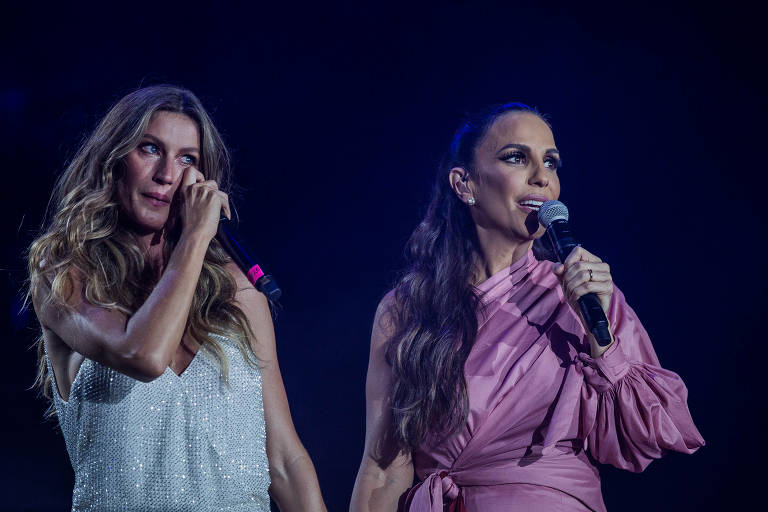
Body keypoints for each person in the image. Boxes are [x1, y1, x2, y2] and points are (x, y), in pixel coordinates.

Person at [350, 103, 704, 511]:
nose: (542, 177)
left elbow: (647, 434)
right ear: (465, 184)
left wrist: (601, 342)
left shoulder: (583, 294)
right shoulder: (407, 310)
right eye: (516, 157)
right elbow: (384, 468)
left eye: (551, 163)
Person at [27, 85, 326, 511]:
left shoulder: (237, 289)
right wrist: (196, 238)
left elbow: (283, 459)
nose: (167, 174)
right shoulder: (64, 273)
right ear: (114, 160)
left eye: (187, 159)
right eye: (149, 149)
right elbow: (144, 355)